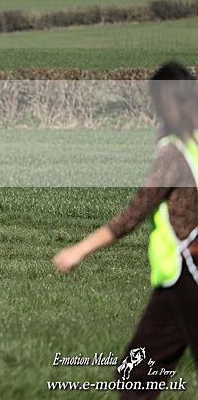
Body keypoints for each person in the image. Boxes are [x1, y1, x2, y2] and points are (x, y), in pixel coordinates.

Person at [53, 62, 198, 394]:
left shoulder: (175, 154)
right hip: (177, 284)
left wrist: (77, 250)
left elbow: (132, 216)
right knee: (136, 378)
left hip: (188, 273)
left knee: (135, 380)